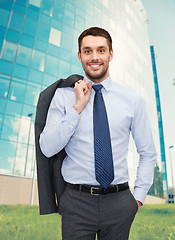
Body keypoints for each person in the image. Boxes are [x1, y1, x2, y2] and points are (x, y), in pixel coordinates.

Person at [39, 27, 157, 240]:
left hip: (119, 202)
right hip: (76, 202)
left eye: (101, 50)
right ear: (79, 56)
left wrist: (137, 198)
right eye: (87, 51)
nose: (94, 57)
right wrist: (77, 108)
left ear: (111, 54)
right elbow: (47, 148)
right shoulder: (63, 96)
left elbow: (148, 153)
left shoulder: (132, 99)